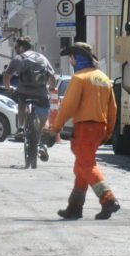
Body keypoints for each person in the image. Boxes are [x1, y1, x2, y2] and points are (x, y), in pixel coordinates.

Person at [45, 42, 120, 220]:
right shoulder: (103, 78)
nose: (70, 61)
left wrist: (55, 128)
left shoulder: (79, 78)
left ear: (76, 58)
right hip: (100, 127)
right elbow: (113, 108)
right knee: (81, 167)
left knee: (87, 165)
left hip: (85, 128)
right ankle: (74, 208)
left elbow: (68, 107)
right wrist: (108, 131)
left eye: (71, 57)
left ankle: (108, 199)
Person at [4, 37, 55, 157]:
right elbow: (52, 76)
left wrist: (8, 88)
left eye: (16, 47)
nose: (16, 49)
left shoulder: (18, 58)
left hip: (24, 91)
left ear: (21, 47)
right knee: (44, 117)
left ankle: (21, 127)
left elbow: (7, 76)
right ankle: (42, 143)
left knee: (21, 103)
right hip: (41, 93)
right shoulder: (42, 57)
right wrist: (51, 88)